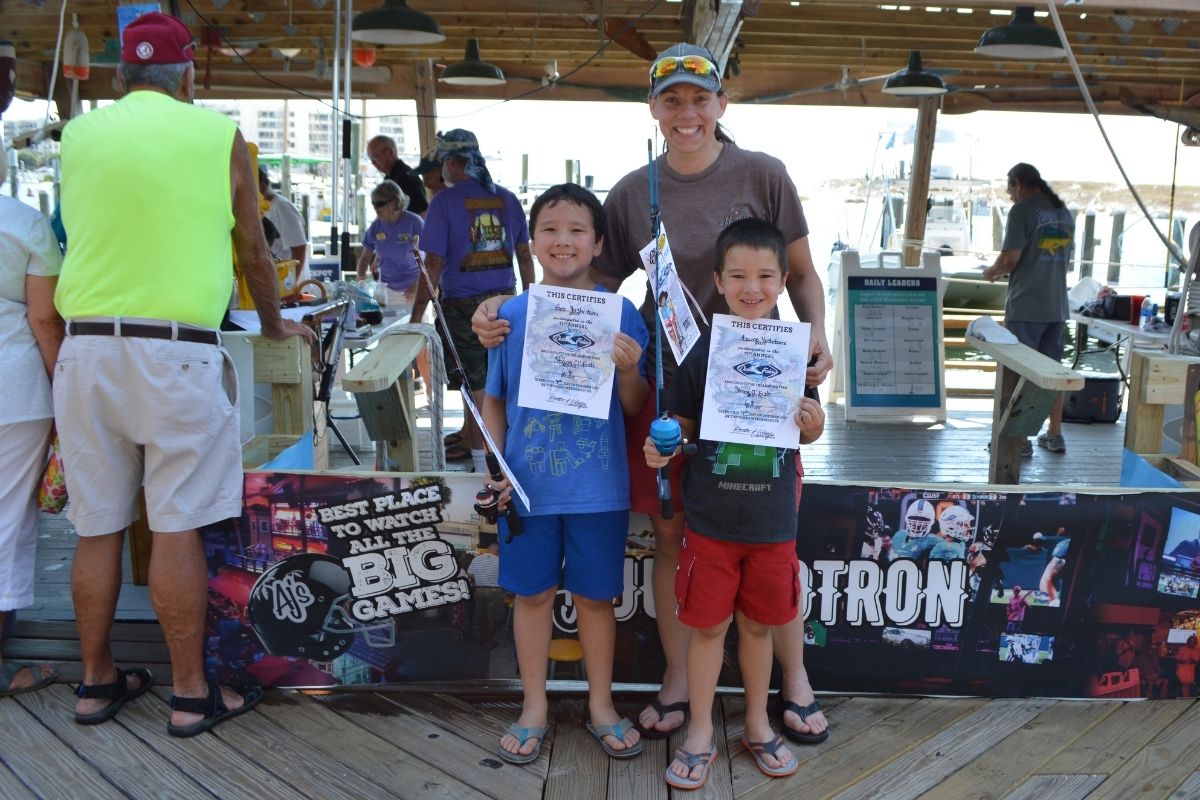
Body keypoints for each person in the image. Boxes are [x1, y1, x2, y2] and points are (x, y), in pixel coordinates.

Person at [472, 42, 833, 745]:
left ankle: (795, 681)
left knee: (774, 534)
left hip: (760, 385)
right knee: (674, 535)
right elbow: (588, 295)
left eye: (700, 98)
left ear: (722, 104)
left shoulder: (765, 174)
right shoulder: (635, 191)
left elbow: (802, 275)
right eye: (672, 99)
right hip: (672, 388)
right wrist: (504, 314)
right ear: (654, 108)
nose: (687, 112)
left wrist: (820, 340)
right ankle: (676, 677)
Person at [54, 11, 315, 737]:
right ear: (188, 76)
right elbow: (253, 249)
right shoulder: (218, 136)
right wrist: (270, 323)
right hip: (175, 350)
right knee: (175, 527)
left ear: (119, 78)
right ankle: (192, 694)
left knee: (96, 526)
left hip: (86, 349)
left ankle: (95, 681)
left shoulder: (78, 135)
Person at [645, 218, 824, 789]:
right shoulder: (701, 353)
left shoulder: (797, 351)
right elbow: (682, 426)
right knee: (707, 630)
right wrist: (662, 441)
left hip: (773, 525)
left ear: (782, 280)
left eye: (766, 276)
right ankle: (700, 731)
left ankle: (756, 724)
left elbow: (811, 429)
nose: (754, 287)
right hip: (710, 523)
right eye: (739, 275)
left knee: (758, 629)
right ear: (718, 281)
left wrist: (813, 421)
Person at [483, 183, 648, 764]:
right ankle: (534, 706)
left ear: (598, 243)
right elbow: (494, 401)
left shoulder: (622, 314)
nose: (563, 240)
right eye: (550, 229)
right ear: (531, 243)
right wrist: (498, 469)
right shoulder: (507, 315)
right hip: (525, 490)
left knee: (596, 600)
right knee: (530, 597)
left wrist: (628, 369)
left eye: (577, 230)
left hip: (598, 490)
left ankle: (601, 705)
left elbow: (633, 406)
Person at [418, 129, 534, 473]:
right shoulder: (509, 199)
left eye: (442, 165)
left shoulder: (443, 202)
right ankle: (471, 436)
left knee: (476, 380)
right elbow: (526, 257)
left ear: (452, 163)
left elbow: (433, 264)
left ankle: (490, 457)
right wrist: (530, 301)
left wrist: (416, 314)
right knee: (494, 377)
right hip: (507, 302)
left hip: (463, 306)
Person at [0, 139, 64, 697]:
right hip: (12, 389)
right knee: (4, 525)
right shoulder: (24, 225)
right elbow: (45, 320)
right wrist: (64, 394)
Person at [982, 163, 1074, 457]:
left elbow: (1010, 259)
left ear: (1018, 183)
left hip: (1026, 306)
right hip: (1057, 306)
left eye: (1010, 190)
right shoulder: (1063, 211)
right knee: (1053, 373)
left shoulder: (1021, 211)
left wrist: (990, 273)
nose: (1010, 196)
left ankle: (1019, 441)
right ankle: (1054, 433)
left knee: (1017, 373)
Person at [356, 180, 423, 319]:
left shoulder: (414, 222)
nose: (375, 207)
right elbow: (364, 258)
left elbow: (431, 257)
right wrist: (360, 281)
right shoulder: (376, 226)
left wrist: (418, 284)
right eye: (373, 203)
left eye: (379, 203)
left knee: (414, 333)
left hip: (412, 288)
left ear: (394, 202)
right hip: (386, 289)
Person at [257, 164, 308, 281]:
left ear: (263, 185)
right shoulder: (262, 209)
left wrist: (292, 285)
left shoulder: (282, 207)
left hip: (289, 286)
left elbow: (300, 247)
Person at [366, 134, 428, 216]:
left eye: (374, 158)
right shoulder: (390, 177)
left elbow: (422, 213)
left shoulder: (406, 177)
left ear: (390, 153)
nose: (372, 163)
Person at [467, 542, 505, 649]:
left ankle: (482, 638)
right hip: (495, 591)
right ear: (498, 551)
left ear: (489, 549)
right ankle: (490, 642)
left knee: (481, 616)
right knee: (492, 618)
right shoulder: (500, 561)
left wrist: (481, 575)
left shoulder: (476, 559)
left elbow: (470, 574)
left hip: (479, 590)